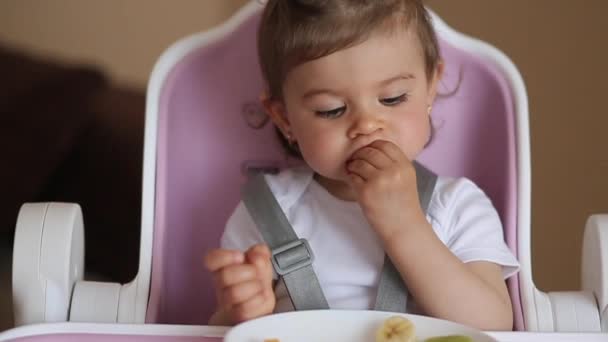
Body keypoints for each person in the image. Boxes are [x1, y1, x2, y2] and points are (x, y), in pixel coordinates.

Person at [204, 0, 519, 330]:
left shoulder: (456, 206)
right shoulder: (266, 212)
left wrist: (406, 227)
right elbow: (220, 329)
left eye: (393, 98)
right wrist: (242, 312)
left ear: (430, 87)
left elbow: (492, 325)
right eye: (331, 109)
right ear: (284, 118)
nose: (367, 124)